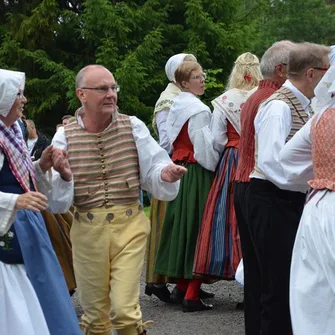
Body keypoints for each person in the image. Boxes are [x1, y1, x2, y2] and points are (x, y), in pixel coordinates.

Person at [52, 64, 187, 335]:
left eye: (114, 88)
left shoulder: (133, 126)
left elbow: (154, 169)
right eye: (102, 89)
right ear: (82, 94)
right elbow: (57, 202)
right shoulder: (64, 136)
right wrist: (64, 176)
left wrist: (166, 174)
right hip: (87, 232)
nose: (111, 94)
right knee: (95, 318)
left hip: (130, 227)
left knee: (124, 312)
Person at [246, 42, 330, 335]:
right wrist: (314, 180)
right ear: (311, 73)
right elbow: (272, 163)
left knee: (285, 283)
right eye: (327, 71)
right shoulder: (279, 106)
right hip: (271, 197)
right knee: (276, 287)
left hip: (284, 198)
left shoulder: (303, 106)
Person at [0, 68, 81, 335]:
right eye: (18, 94)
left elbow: (18, 177)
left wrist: (41, 165)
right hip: (9, 226)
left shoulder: (12, 132)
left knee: (39, 287)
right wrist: (16, 201)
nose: (23, 100)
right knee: (15, 292)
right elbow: (13, 188)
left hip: (25, 223)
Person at [233, 41, 296, 335]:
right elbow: (271, 157)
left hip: (244, 184)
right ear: (282, 70)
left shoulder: (256, 95)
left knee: (258, 280)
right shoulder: (274, 100)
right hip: (260, 187)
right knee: (272, 279)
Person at [154, 61, 220, 312]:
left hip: (180, 169)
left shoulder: (177, 105)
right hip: (195, 172)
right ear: (183, 83)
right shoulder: (199, 109)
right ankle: (191, 295)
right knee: (198, 228)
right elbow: (204, 150)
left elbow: (170, 141)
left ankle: (182, 287)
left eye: (202, 75)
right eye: (195, 77)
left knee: (183, 225)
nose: (202, 80)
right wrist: (216, 168)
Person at [193, 52, 262, 285]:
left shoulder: (224, 101)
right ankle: (251, 283)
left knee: (225, 215)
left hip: (232, 159)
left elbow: (217, 139)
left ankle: (224, 267)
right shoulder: (264, 97)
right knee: (255, 216)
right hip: (256, 157)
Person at [279, 66, 335, 335]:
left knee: (316, 299)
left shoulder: (322, 116)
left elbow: (287, 159)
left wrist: (322, 174)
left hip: (319, 209)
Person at [146, 52, 205, 303]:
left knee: (182, 224)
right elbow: (165, 141)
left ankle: (185, 282)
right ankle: (159, 281)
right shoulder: (167, 101)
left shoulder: (181, 98)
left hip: (180, 163)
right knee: (170, 225)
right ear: (177, 76)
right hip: (174, 167)